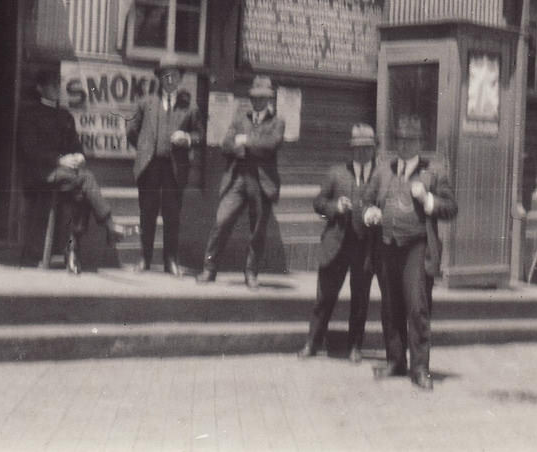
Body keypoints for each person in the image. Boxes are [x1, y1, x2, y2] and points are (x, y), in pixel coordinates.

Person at [361, 114, 457, 391]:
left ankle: (420, 368)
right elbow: (365, 200)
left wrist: (427, 199)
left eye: (410, 140)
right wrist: (370, 212)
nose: (404, 145)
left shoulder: (433, 172)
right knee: (390, 306)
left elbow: (451, 207)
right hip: (387, 245)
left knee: (417, 307)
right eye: (400, 140)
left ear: (420, 143)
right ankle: (395, 361)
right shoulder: (383, 170)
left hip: (417, 247)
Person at [18, 68, 132, 274]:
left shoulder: (65, 116)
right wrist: (60, 159)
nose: (56, 89)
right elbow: (30, 149)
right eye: (52, 85)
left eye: (57, 85)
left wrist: (79, 155)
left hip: (66, 176)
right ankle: (105, 226)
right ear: (39, 88)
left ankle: (72, 250)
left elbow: (75, 145)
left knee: (81, 194)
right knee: (85, 179)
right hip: (41, 174)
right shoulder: (30, 115)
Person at [298, 123, 380, 361]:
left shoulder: (381, 175)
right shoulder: (336, 173)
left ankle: (355, 347)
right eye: (357, 148)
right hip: (336, 245)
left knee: (360, 299)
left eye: (367, 148)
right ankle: (312, 343)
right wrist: (335, 207)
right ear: (351, 150)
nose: (362, 153)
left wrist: (378, 214)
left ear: (374, 150)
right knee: (324, 298)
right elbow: (318, 204)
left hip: (364, 248)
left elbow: (388, 206)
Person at [196, 76, 284, 290]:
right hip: (237, 178)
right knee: (221, 221)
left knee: (257, 230)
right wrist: (244, 146)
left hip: (262, 182)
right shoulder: (240, 118)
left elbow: (270, 145)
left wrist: (244, 141)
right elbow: (225, 144)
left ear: (269, 99)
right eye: (254, 97)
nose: (258, 102)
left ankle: (251, 273)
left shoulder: (277, 122)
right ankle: (209, 269)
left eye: (262, 98)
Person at [126, 53, 204, 276]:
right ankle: (145, 259)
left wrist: (187, 139)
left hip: (174, 169)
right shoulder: (145, 103)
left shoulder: (189, 108)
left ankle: (171, 260)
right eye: (166, 75)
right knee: (147, 213)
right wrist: (145, 149)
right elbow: (132, 132)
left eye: (175, 76)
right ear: (159, 78)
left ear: (180, 79)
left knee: (172, 214)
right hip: (150, 167)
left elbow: (201, 136)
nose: (170, 80)